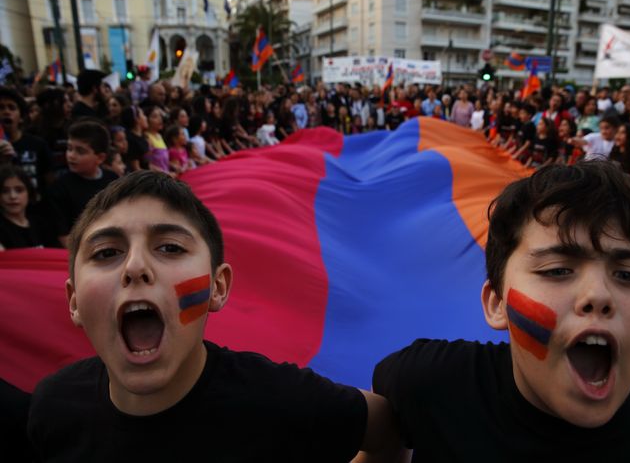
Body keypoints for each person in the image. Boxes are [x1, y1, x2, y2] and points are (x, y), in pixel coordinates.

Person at [27, 171, 400, 461]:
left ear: (217, 287)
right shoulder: (51, 408)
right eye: (107, 253)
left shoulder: (283, 401)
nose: (136, 266)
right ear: (74, 300)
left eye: (170, 247)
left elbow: (391, 430)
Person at [366, 160, 630, 461]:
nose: (598, 295)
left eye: (628, 275)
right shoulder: (426, 383)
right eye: (558, 270)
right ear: (496, 304)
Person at [45, 120, 118, 247]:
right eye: (69, 148)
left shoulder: (113, 180)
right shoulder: (59, 189)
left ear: (100, 158)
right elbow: (64, 236)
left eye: (80, 151)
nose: (71, 155)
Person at [0, 86, 54, 197]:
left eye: (12, 108)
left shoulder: (38, 145)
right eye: (1, 108)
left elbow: (50, 182)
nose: (6, 112)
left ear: (21, 117)